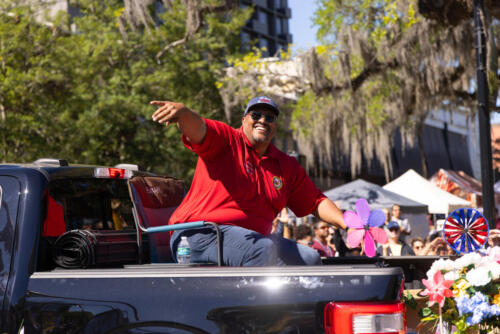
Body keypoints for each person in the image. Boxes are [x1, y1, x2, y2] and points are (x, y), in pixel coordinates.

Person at [150, 96, 346, 266]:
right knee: (261, 249)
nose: (263, 120)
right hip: (199, 235)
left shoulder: (285, 165)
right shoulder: (227, 140)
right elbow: (199, 129)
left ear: (275, 126)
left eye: (269, 118)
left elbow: (316, 201)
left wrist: (350, 224)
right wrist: (184, 113)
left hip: (253, 240)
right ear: (244, 120)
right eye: (256, 115)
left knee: (310, 258)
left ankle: (296, 309)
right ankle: (254, 310)